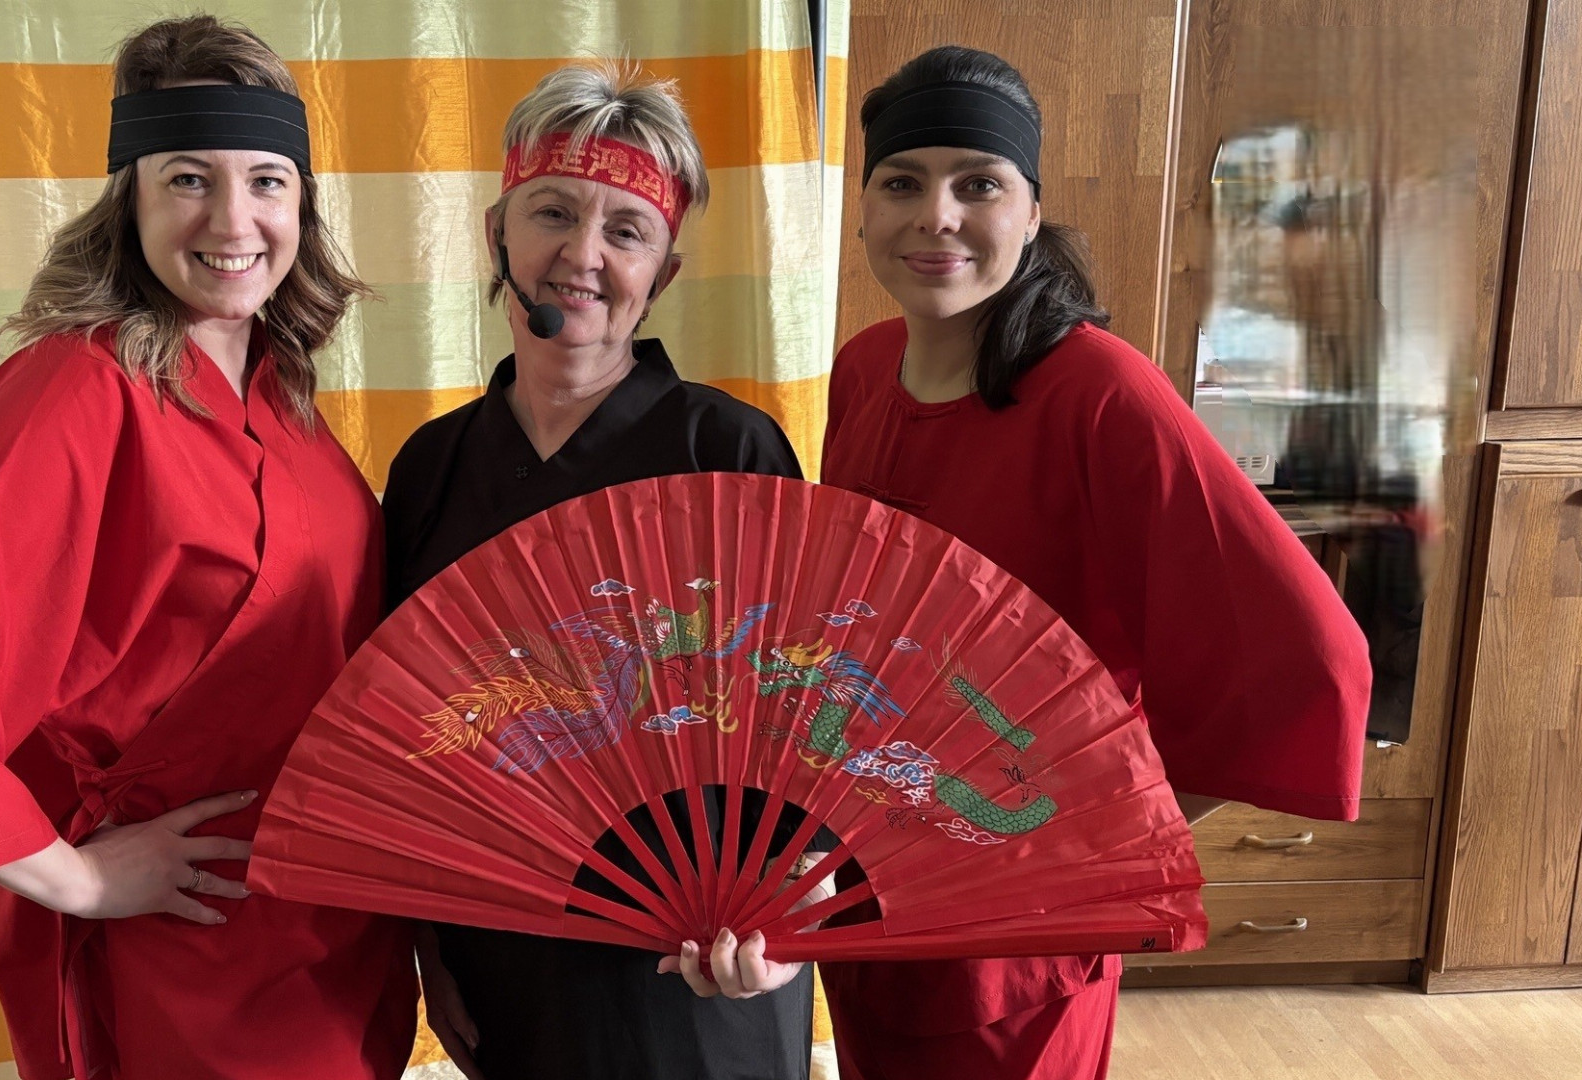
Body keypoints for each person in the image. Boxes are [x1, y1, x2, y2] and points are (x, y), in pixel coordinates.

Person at [0, 16, 416, 1080]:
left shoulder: (280, 391)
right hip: (188, 934)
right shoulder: (82, 388)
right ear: (130, 199)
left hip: (325, 930)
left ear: (302, 206)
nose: (233, 220)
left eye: (266, 180)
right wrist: (76, 880)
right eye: (188, 179)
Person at [815, 46, 1372, 1080]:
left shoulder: (1100, 394)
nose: (936, 216)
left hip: (1017, 928)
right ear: (863, 212)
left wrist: (1110, 837)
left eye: (978, 184)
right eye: (902, 183)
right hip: (872, 891)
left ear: (1031, 213)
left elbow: (1311, 656)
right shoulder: (862, 370)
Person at [382, 61, 816, 1080]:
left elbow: (810, 704)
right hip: (502, 945)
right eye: (553, 213)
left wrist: (793, 906)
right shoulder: (433, 467)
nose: (582, 255)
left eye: (627, 230)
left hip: (701, 957)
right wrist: (428, 945)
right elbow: (406, 719)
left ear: (663, 273)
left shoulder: (728, 452)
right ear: (497, 233)